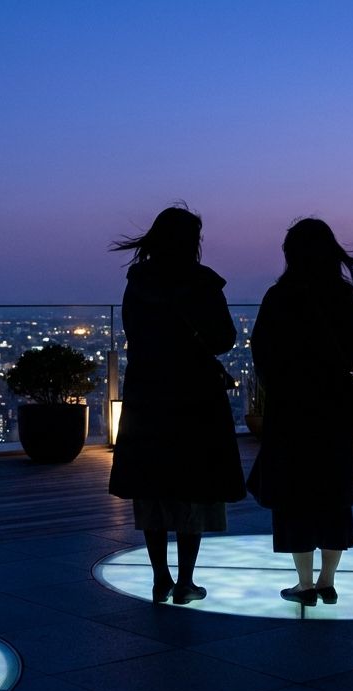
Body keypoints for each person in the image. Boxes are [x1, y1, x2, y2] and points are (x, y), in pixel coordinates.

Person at [108, 204, 247, 605]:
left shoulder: (139, 282)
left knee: (151, 486)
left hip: (148, 393)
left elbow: (134, 332)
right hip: (194, 395)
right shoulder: (202, 283)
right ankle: (187, 580)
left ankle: (160, 577)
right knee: (192, 484)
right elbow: (223, 339)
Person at [246, 218, 353, 606]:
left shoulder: (280, 295)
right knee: (333, 494)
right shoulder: (344, 295)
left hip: (291, 409)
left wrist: (280, 386)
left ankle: (304, 585)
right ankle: (328, 581)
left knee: (294, 495)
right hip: (334, 407)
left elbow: (262, 351)